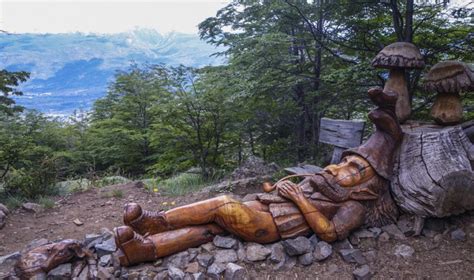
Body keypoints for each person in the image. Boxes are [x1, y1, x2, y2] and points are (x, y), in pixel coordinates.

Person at [114, 87, 402, 266]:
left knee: (223, 205)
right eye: (344, 162)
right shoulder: (325, 184)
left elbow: (330, 234)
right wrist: (278, 188)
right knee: (210, 228)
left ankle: (156, 221)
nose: (336, 168)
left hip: (273, 227)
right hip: (264, 209)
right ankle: (146, 248)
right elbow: (287, 192)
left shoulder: (353, 207)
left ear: (367, 185)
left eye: (353, 170)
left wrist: (300, 198)